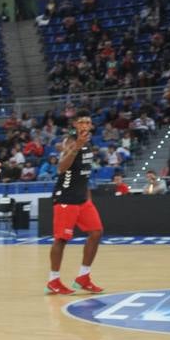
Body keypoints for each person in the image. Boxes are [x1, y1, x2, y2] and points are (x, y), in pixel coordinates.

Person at [47, 114, 105, 295]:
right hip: (65, 198)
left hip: (82, 199)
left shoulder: (88, 143)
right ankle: (53, 280)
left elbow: (84, 174)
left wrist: (88, 197)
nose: (85, 125)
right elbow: (61, 168)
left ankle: (83, 277)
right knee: (61, 239)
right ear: (74, 124)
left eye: (88, 122)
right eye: (81, 122)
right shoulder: (70, 141)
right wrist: (76, 147)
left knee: (96, 232)